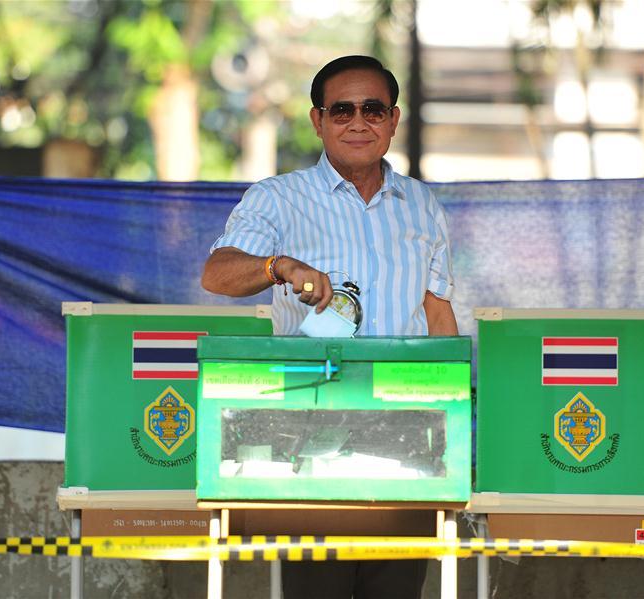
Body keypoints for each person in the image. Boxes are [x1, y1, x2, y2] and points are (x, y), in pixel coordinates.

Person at [201, 55, 457, 599]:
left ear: (393, 120)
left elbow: (437, 313)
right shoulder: (278, 198)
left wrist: (458, 416)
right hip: (310, 437)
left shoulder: (423, 206)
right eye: (342, 109)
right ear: (317, 120)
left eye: (373, 109)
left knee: (397, 589)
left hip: (408, 436)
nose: (358, 122)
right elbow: (217, 274)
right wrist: (277, 267)